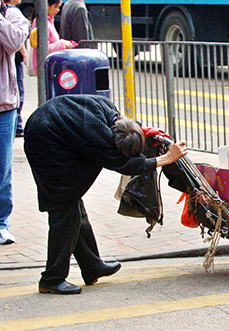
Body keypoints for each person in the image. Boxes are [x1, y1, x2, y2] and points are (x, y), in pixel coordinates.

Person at [24, 95, 187, 294]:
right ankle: (51, 278)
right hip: (45, 140)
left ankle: (92, 266)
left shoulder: (110, 112)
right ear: (112, 139)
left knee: (73, 205)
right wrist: (165, 159)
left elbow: (126, 138)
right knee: (63, 207)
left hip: (53, 124)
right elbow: (122, 164)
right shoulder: (99, 134)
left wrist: (145, 134)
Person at [0, 0, 29, 245]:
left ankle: (1, 223)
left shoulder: (12, 16)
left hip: (3, 107)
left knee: (2, 170)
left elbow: (14, 44)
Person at [30, 0, 76, 74]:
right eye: (55, 7)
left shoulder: (49, 21)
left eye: (59, 7)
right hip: (45, 68)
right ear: (47, 5)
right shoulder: (41, 23)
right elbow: (42, 49)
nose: (57, 10)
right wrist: (62, 44)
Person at [5, 0, 26, 138]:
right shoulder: (13, 13)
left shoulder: (10, 13)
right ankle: (18, 125)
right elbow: (19, 44)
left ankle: (18, 125)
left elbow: (17, 41)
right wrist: (25, 55)